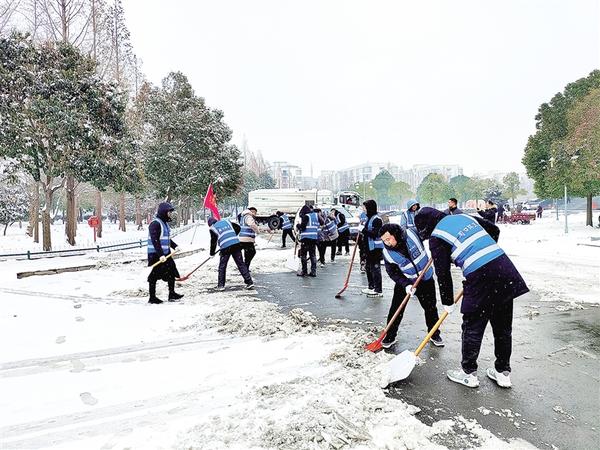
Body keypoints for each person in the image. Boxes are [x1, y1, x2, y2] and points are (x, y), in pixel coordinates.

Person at [415, 207, 529, 389]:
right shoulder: (463, 217)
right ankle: (503, 373)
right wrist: (480, 252)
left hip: (480, 278)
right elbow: (494, 229)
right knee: (502, 327)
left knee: (473, 327)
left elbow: (442, 273)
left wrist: (447, 302)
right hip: (504, 269)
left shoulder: (437, 237)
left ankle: (468, 374)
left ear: (426, 227)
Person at [379, 223, 443, 348]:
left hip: (426, 279)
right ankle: (390, 336)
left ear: (395, 234)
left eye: (388, 239)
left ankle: (434, 334)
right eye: (384, 240)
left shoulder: (413, 234)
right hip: (406, 281)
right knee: (396, 309)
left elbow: (432, 233)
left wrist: (438, 245)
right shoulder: (387, 253)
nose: (387, 242)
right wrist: (406, 285)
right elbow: (392, 272)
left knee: (430, 308)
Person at [147, 202, 183, 304]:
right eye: (169, 212)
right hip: (156, 255)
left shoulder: (164, 224)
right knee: (154, 275)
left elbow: (166, 239)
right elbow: (155, 241)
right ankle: (152, 297)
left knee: (172, 271)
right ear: (163, 212)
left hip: (166, 254)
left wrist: (175, 246)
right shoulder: (155, 224)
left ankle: (172, 293)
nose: (170, 214)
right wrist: (161, 255)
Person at [208, 217, 254, 291]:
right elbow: (238, 227)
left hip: (225, 248)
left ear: (211, 224)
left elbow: (213, 241)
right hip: (236, 244)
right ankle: (249, 282)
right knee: (241, 264)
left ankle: (221, 285)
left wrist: (212, 253)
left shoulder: (213, 228)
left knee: (222, 266)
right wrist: (232, 236)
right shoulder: (227, 222)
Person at [361, 199, 383, 297]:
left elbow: (375, 234)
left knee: (375, 268)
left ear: (370, 208)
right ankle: (371, 286)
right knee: (368, 267)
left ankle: (378, 290)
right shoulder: (369, 218)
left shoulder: (377, 219)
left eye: (365, 208)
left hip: (375, 248)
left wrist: (363, 230)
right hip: (369, 248)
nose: (364, 209)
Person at [296, 205, 322, 277]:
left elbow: (303, 227)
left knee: (303, 255)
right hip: (314, 238)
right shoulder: (315, 216)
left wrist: (298, 225)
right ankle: (313, 272)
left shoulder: (306, 216)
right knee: (312, 255)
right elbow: (322, 222)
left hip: (306, 239)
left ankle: (304, 272)